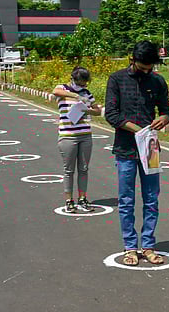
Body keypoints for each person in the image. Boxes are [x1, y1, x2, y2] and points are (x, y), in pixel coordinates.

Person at [105, 41, 169, 266]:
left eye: (149, 68)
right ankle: (130, 247)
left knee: (152, 198)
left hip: (151, 149)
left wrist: (163, 119)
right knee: (126, 199)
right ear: (131, 59)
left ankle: (149, 245)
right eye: (142, 67)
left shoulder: (158, 81)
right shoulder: (116, 79)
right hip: (125, 148)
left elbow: (166, 111)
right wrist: (138, 130)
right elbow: (112, 115)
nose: (146, 72)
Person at [52, 66, 102, 213]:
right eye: (80, 83)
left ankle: (82, 198)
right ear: (73, 79)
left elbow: (97, 110)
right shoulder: (63, 88)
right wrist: (76, 96)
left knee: (84, 169)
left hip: (85, 134)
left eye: (85, 83)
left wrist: (88, 109)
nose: (83, 86)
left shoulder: (87, 93)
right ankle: (69, 200)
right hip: (68, 135)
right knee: (69, 170)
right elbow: (56, 92)